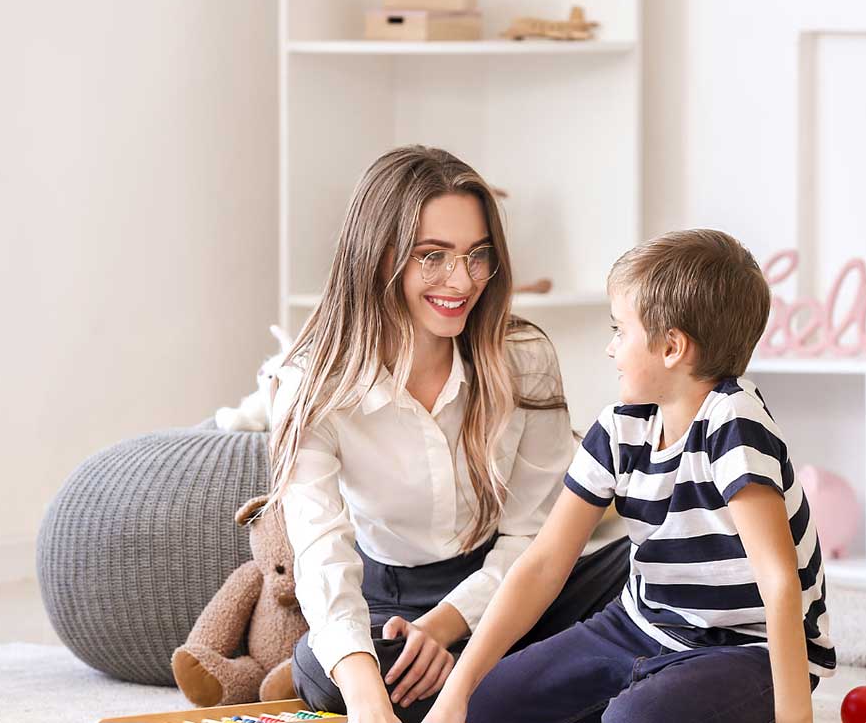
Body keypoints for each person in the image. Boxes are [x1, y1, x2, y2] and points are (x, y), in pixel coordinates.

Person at [267, 145, 629, 723]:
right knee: (324, 668)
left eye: (476, 255)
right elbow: (321, 555)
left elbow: (533, 538)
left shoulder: (524, 357)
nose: (461, 281)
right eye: (432, 257)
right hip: (389, 603)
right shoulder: (312, 384)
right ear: (376, 256)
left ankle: (505, 688)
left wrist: (449, 623)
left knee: (649, 567)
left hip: (515, 588)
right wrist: (368, 704)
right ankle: (541, 692)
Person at [427, 228, 834, 723]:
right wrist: (458, 691)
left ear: (671, 348)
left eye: (620, 330)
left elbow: (779, 580)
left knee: (631, 720)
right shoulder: (620, 427)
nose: (609, 348)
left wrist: (795, 716)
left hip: (747, 649)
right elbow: (543, 564)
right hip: (639, 626)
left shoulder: (734, 423)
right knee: (483, 705)